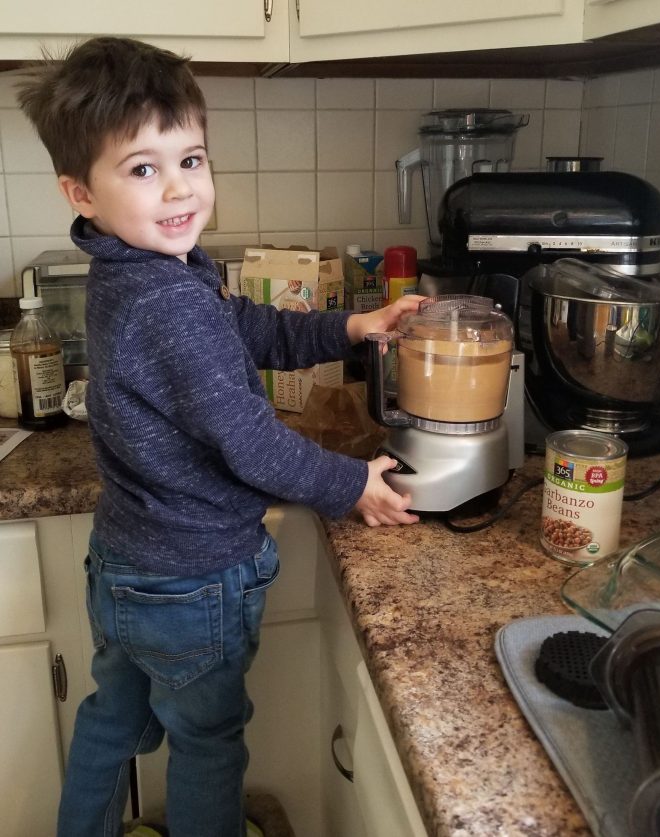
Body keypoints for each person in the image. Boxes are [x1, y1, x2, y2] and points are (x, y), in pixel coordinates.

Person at [17, 36, 421, 837]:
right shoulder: (167, 300)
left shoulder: (140, 268)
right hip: (193, 580)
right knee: (207, 741)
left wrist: (350, 325)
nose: (179, 188)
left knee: (110, 719)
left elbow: (250, 326)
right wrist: (353, 485)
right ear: (81, 192)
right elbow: (253, 445)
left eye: (192, 160)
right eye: (143, 168)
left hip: (127, 565)